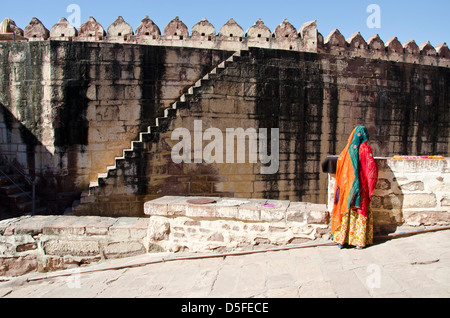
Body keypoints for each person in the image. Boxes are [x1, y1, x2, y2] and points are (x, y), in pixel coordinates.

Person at [331, 126, 379, 249]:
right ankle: (359, 242)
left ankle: (342, 240)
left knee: (346, 212)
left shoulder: (346, 150)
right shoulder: (365, 149)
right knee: (360, 210)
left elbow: (340, 166)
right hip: (361, 188)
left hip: (347, 189)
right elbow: (371, 166)